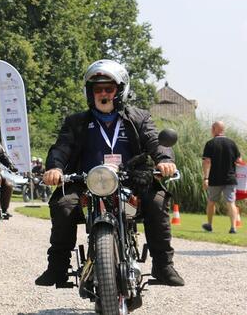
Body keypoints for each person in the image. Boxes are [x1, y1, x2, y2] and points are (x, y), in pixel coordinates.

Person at [35, 59, 184, 287]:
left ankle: (163, 265)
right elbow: (61, 147)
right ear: (90, 92)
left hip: (131, 179)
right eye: (97, 89)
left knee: (157, 200)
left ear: (121, 90)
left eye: (109, 88)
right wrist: (54, 168)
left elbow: (155, 140)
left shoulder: (139, 118)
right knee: (63, 205)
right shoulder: (76, 122)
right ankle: (57, 267)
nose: (103, 93)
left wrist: (164, 160)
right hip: (87, 181)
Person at [202, 121, 242, 234]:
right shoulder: (232, 143)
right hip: (230, 179)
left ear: (214, 129)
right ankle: (233, 227)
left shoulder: (210, 143)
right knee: (231, 202)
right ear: (223, 130)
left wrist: (206, 178)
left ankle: (209, 225)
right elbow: (239, 161)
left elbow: (207, 162)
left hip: (215, 179)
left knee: (211, 201)